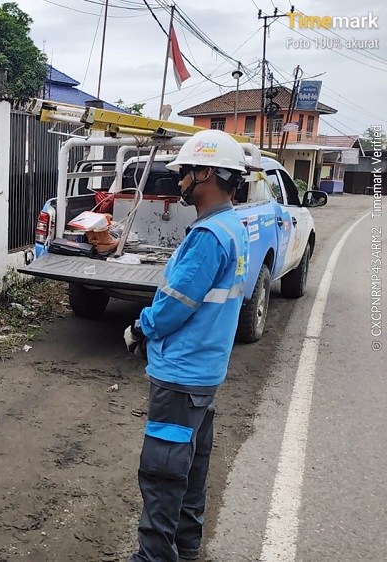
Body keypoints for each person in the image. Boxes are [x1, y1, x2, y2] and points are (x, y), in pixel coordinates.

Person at [124, 129, 251, 562]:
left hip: (180, 376)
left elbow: (175, 305)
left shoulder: (208, 236)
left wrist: (140, 329)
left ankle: (154, 557)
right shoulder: (234, 227)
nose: (180, 182)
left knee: (162, 472)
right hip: (205, 372)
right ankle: (186, 549)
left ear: (209, 173)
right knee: (192, 469)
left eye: (186, 173)